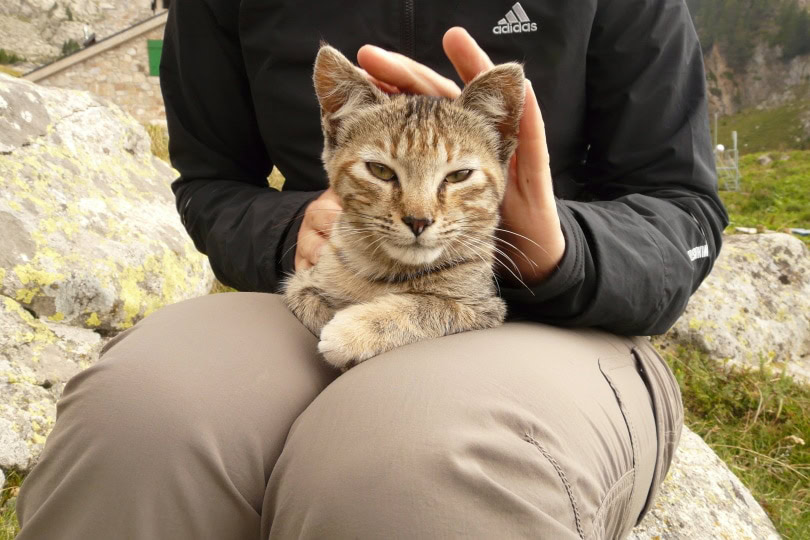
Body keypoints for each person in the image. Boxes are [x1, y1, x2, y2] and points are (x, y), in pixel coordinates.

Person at [16, 0, 728, 538]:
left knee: (415, 467)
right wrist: (293, 229)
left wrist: (557, 245)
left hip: (555, 316)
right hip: (325, 285)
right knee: (136, 419)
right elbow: (208, 179)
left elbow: (682, 210)